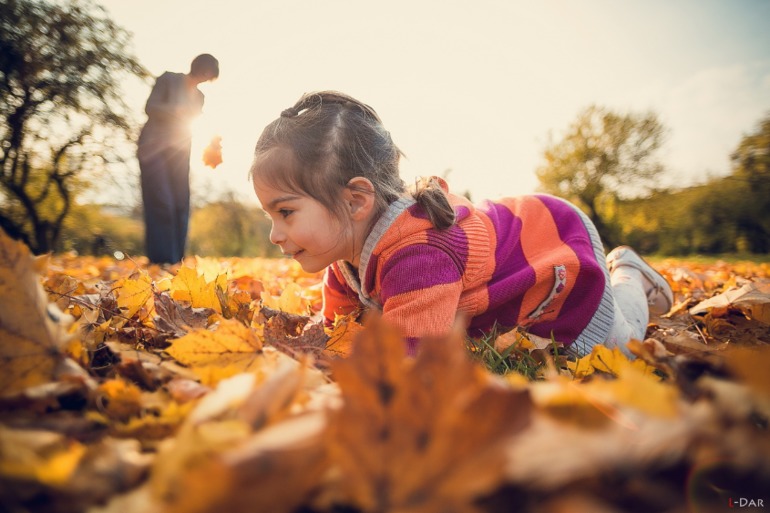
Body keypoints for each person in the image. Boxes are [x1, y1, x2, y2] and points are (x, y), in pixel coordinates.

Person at [249, 91, 673, 357]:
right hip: (523, 226)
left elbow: (409, 361)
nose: (274, 234)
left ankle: (628, 273)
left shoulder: (420, 257)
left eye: (285, 212)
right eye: (269, 215)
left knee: (622, 347)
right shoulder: (345, 254)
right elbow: (339, 333)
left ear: (356, 200)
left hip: (552, 242)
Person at [137, 54, 219, 264]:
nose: (205, 78)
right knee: (161, 201)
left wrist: (213, 144)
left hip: (181, 152)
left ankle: (176, 259)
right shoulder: (169, 79)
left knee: (181, 203)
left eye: (209, 77)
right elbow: (150, 107)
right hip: (153, 148)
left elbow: (198, 123)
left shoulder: (200, 97)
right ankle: (160, 258)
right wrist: (174, 110)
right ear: (198, 67)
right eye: (205, 73)